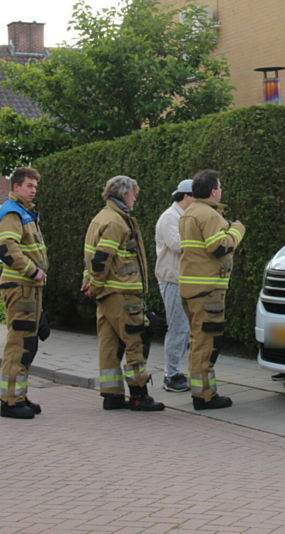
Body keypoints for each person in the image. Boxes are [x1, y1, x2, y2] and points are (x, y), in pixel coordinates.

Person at [82, 176, 165, 412]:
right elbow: (102, 258)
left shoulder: (100, 218)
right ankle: (139, 395)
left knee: (109, 345)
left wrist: (89, 281)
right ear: (125, 194)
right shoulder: (117, 222)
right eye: (134, 194)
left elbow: (91, 256)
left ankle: (112, 395)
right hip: (123, 293)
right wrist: (95, 282)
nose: (135, 199)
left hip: (107, 294)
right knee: (136, 341)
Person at [179, 170, 245, 410]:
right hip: (208, 290)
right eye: (220, 186)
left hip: (190, 287)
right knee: (207, 344)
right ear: (214, 191)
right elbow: (219, 248)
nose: (221, 190)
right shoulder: (209, 214)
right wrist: (237, 230)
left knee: (197, 342)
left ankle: (200, 391)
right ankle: (205, 396)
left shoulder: (189, 213)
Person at [0, 167, 48, 420]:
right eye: (29, 186)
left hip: (28, 288)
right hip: (20, 286)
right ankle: (10, 402)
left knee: (28, 344)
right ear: (16, 187)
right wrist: (31, 271)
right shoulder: (12, 212)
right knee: (18, 346)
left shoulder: (24, 212)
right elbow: (5, 247)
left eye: (35, 186)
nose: (33, 190)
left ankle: (18, 396)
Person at [154, 179, 194, 393]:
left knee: (185, 328)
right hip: (172, 279)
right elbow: (178, 245)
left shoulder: (183, 216)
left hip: (183, 279)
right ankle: (171, 375)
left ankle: (177, 372)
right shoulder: (170, 217)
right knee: (178, 327)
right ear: (187, 196)